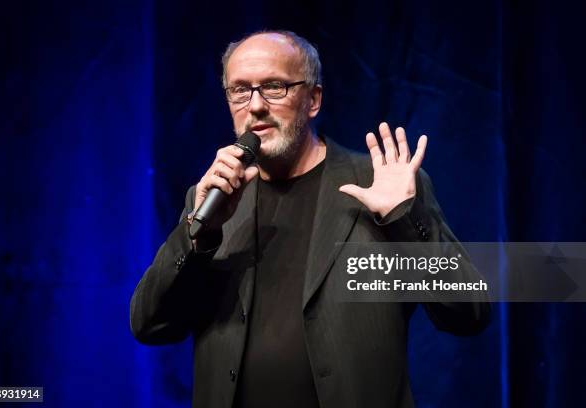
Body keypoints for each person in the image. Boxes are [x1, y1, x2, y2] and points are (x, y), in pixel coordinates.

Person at [130, 30, 489, 408]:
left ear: (313, 99)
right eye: (240, 90)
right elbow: (150, 325)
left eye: (274, 87)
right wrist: (199, 237)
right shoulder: (213, 200)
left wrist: (402, 218)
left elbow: (468, 314)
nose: (255, 106)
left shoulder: (380, 184)